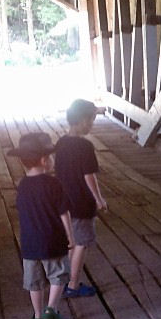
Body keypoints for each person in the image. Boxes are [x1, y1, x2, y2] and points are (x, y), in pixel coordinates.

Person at [9, 132, 74, 319]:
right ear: (45, 160)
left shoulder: (22, 186)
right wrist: (70, 236)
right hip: (53, 240)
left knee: (34, 282)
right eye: (51, 156)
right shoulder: (54, 184)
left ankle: (37, 316)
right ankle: (51, 308)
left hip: (30, 243)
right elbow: (64, 213)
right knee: (58, 275)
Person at [55, 98, 107, 298]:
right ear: (82, 120)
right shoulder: (85, 146)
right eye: (91, 120)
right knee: (81, 244)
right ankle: (73, 285)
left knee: (72, 241)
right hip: (81, 202)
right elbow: (89, 176)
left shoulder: (61, 142)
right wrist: (99, 199)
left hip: (64, 200)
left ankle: (66, 281)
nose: (92, 124)